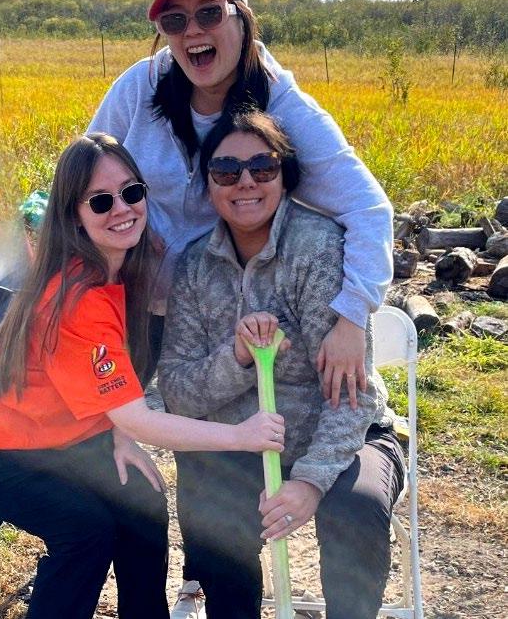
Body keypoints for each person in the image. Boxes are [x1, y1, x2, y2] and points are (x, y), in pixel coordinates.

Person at [0, 133, 285, 619]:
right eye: (100, 201)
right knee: (84, 531)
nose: (122, 209)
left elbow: (119, 388)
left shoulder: (121, 269)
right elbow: (139, 417)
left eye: (131, 192)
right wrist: (241, 436)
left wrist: (118, 431)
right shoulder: (80, 297)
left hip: (60, 435)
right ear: (73, 217)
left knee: (142, 504)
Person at [88, 0, 394, 407]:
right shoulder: (140, 87)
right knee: (98, 413)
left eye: (209, 13)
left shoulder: (284, 107)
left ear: (243, 19)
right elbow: (84, 175)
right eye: (175, 20)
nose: (193, 31)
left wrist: (351, 316)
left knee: (230, 418)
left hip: (219, 309)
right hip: (131, 289)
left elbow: (367, 208)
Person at [158, 110, 406, 619]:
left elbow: (352, 394)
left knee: (356, 508)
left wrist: (311, 481)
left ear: (284, 175)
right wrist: (237, 357)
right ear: (208, 185)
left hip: (346, 437)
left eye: (262, 167)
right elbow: (177, 392)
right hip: (242, 441)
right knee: (210, 508)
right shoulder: (193, 266)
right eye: (226, 170)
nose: (245, 181)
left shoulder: (319, 248)